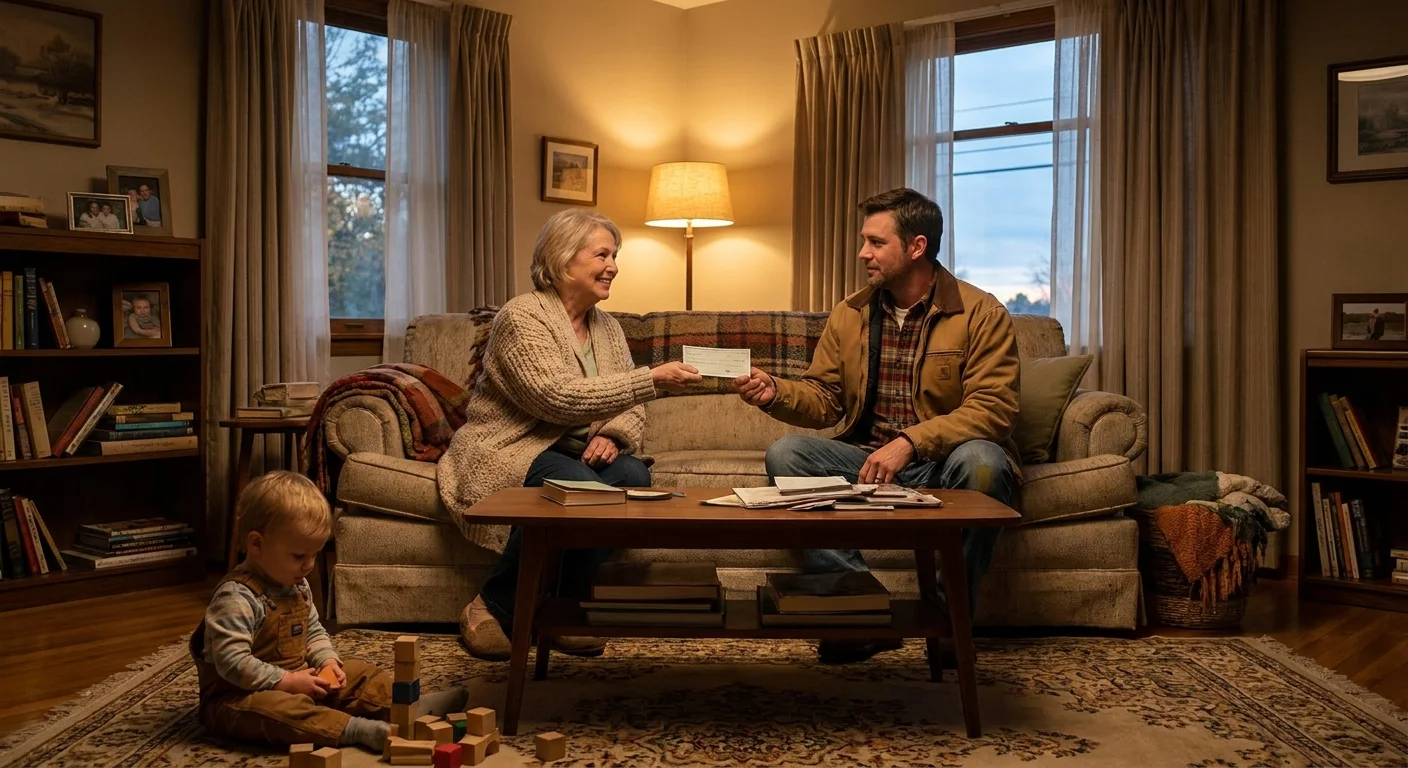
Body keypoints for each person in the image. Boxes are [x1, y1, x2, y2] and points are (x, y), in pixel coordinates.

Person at [731, 187, 1022, 665]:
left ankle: (950, 621)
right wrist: (777, 392)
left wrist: (911, 442)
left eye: (875, 242)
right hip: (868, 458)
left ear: (916, 247)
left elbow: (994, 408)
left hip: (947, 461)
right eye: (863, 241)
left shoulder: (980, 312)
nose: (862, 253)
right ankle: (862, 608)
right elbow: (825, 399)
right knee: (788, 454)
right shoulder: (851, 312)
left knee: (985, 463)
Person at [438, 209, 702, 661]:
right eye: (602, 254)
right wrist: (651, 378)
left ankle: (563, 602)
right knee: (582, 492)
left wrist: (615, 436)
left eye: (615, 255)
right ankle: (492, 604)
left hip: (577, 450)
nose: (613, 265)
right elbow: (554, 397)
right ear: (563, 261)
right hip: (515, 446)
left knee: (634, 478)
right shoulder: (523, 317)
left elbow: (630, 406)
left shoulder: (607, 326)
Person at [188, 471, 466, 750]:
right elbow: (231, 661)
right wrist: (286, 681)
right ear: (257, 544)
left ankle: (407, 706)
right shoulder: (236, 597)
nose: (308, 565)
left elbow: (314, 632)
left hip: (300, 679)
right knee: (277, 711)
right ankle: (355, 730)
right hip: (239, 697)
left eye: (314, 555)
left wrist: (326, 661)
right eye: (299, 556)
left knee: (360, 673)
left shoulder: (297, 585)